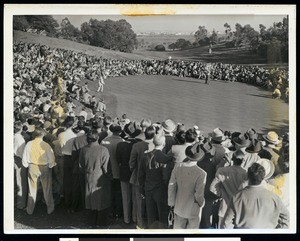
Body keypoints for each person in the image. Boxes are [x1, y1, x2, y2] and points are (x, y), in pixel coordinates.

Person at [222, 163, 289, 229]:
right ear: (263, 177)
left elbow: (226, 223)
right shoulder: (274, 198)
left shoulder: (237, 197)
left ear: (248, 176)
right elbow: (287, 217)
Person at [168, 142, 207, 229]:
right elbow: (198, 194)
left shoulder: (177, 166)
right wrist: (202, 203)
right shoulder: (202, 173)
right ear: (199, 158)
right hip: (193, 209)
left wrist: (171, 203)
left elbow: (171, 186)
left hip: (179, 206)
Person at [79, 130, 112, 227]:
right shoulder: (103, 150)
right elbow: (106, 169)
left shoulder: (83, 149)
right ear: (97, 138)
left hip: (88, 177)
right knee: (101, 201)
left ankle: (91, 222)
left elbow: (80, 166)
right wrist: (110, 176)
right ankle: (101, 223)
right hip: (100, 179)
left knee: (90, 200)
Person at [139, 135, 172, 229]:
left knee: (151, 216)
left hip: (148, 188)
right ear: (164, 144)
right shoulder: (165, 158)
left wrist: (142, 189)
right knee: (162, 217)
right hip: (161, 190)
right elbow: (166, 177)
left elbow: (141, 175)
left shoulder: (145, 156)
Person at [22, 126, 56, 215]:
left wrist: (27, 165)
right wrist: (51, 165)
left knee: (32, 189)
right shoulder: (46, 145)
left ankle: (30, 209)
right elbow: (51, 158)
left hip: (32, 167)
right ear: (43, 134)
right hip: (44, 167)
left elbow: (25, 157)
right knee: (47, 189)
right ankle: (50, 208)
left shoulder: (29, 144)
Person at [210, 150, 248, 227]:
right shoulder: (246, 173)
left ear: (232, 159)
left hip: (225, 207)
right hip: (239, 209)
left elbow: (212, 187)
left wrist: (221, 194)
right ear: (243, 160)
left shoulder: (222, 170)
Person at [129, 125, 156, 229]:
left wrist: (135, 171)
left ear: (145, 134)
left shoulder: (137, 146)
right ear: (154, 134)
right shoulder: (156, 145)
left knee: (138, 201)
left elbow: (131, 163)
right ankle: (150, 223)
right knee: (150, 202)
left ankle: (139, 223)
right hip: (152, 178)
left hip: (137, 177)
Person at [116, 122, 141, 225]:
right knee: (135, 197)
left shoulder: (121, 144)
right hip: (135, 173)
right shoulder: (139, 143)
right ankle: (135, 218)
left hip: (125, 172)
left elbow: (118, 160)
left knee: (126, 197)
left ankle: (127, 219)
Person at [102, 123, 124, 219]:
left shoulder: (104, 141)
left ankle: (110, 211)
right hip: (118, 171)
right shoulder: (123, 141)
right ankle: (118, 212)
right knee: (118, 193)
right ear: (119, 131)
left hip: (107, 171)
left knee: (108, 192)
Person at [58, 116, 77, 213]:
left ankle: (65, 200)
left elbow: (60, 147)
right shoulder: (74, 135)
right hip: (71, 158)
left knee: (65, 180)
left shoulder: (61, 134)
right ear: (73, 125)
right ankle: (70, 202)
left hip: (64, 157)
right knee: (71, 181)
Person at [14, 121, 27, 210]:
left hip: (14, 159)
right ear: (21, 128)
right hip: (19, 160)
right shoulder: (21, 139)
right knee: (21, 183)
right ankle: (21, 204)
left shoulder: (12, 136)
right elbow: (22, 154)